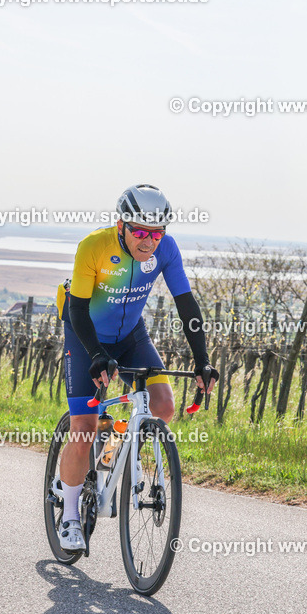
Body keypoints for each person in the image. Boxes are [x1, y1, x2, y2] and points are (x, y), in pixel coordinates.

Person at [53, 184, 218, 551]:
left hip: (131, 335)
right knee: (83, 427)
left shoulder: (166, 250)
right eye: (140, 232)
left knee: (163, 407)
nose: (149, 241)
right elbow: (78, 309)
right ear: (121, 225)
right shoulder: (94, 246)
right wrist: (96, 353)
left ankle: (113, 449)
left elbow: (187, 306)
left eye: (157, 233)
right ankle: (68, 516)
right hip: (85, 335)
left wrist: (202, 360)